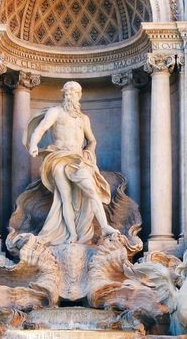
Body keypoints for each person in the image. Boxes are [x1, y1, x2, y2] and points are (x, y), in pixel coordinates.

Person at [24, 81, 119, 245]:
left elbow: (92, 140)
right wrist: (33, 144)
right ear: (63, 95)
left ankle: (104, 227)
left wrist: (89, 152)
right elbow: (40, 129)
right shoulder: (55, 112)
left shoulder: (83, 119)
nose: (70, 96)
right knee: (64, 198)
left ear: (79, 96)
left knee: (91, 191)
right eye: (67, 93)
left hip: (78, 159)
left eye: (73, 93)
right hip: (59, 158)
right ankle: (72, 235)